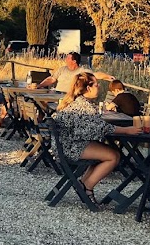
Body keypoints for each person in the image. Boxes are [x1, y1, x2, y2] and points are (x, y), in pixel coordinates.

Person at [54, 72, 142, 208]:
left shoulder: (77, 102)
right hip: (71, 147)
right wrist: (126, 130)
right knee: (113, 156)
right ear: (88, 88)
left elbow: (95, 128)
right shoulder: (85, 107)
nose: (99, 86)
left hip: (66, 144)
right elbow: (101, 128)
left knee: (105, 151)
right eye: (96, 84)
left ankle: (82, 184)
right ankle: (87, 187)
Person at [31, 51, 113, 93]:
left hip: (68, 96)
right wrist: (40, 85)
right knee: (39, 102)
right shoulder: (62, 69)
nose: (65, 60)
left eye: (68, 58)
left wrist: (108, 77)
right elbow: (52, 79)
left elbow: (96, 75)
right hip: (56, 93)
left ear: (74, 61)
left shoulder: (82, 71)